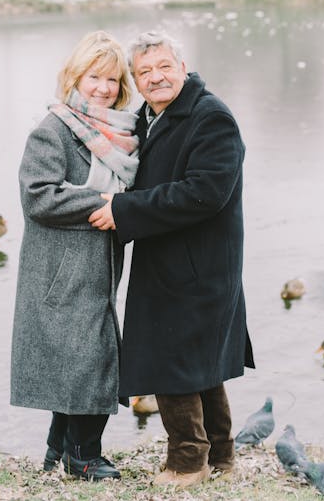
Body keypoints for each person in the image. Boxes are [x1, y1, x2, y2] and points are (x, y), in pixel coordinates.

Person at [89, 31, 255, 489]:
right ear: (137, 81)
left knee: (171, 360)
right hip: (172, 257)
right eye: (144, 72)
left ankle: (187, 463)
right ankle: (220, 457)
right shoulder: (151, 115)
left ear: (182, 67)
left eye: (164, 66)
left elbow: (205, 194)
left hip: (198, 265)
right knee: (200, 363)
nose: (155, 77)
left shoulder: (210, 117)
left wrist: (122, 209)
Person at [10, 30, 138, 482]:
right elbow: (38, 198)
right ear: (75, 77)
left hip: (97, 268)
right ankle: (83, 458)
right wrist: (102, 203)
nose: (103, 87)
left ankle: (56, 452)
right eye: (94, 77)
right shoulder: (53, 131)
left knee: (81, 360)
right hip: (60, 272)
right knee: (90, 360)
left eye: (112, 80)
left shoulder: (120, 133)